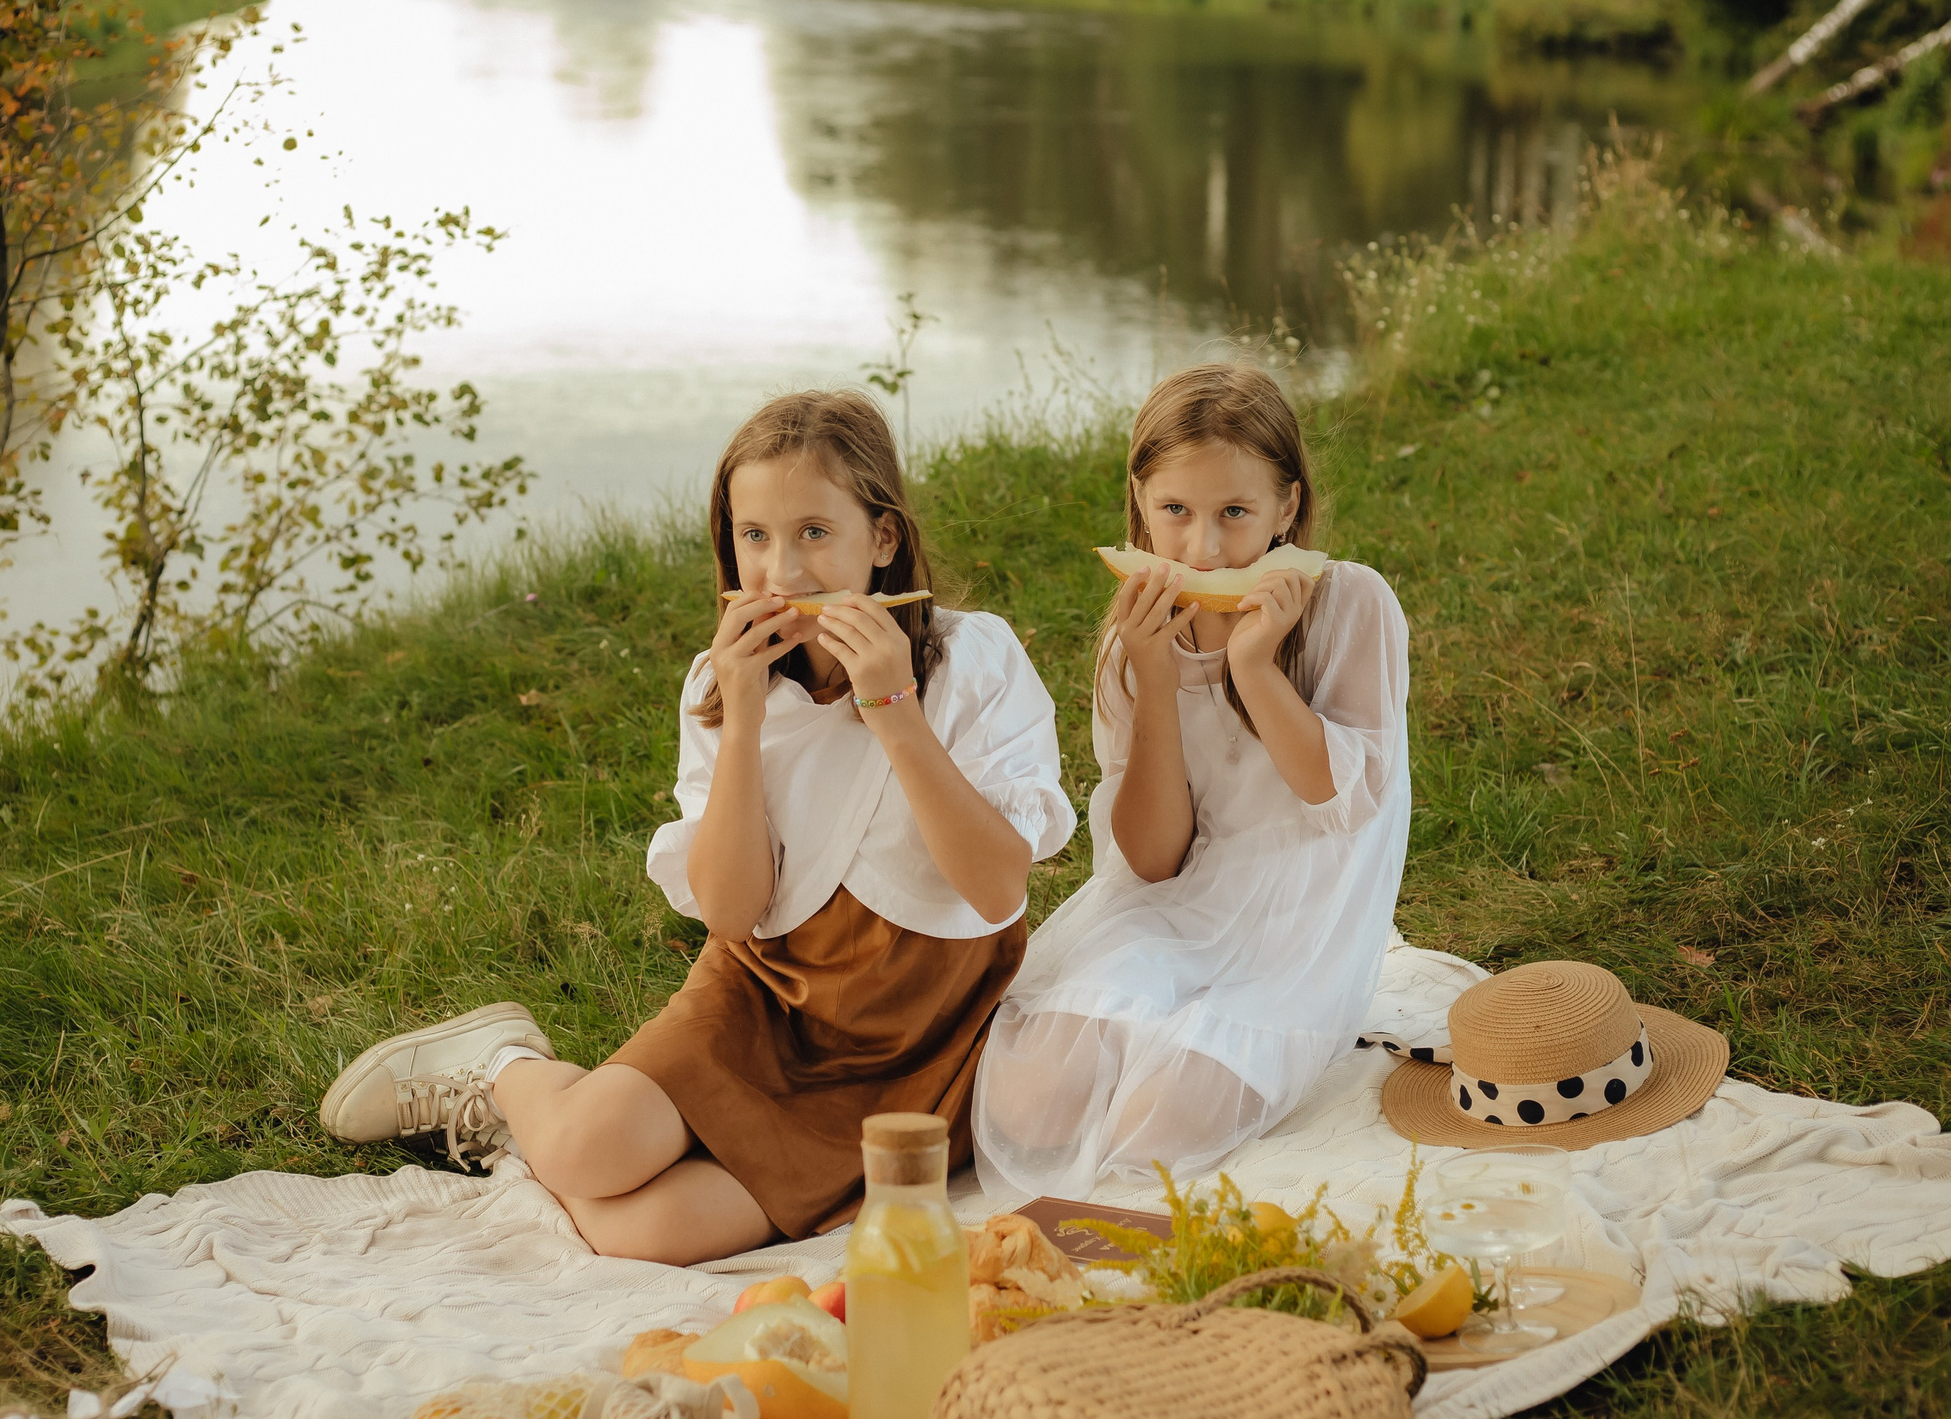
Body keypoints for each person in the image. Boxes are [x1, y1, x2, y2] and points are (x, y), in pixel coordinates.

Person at [319, 390, 1074, 1263]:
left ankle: (528, 1112)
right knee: (580, 1151)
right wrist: (746, 721)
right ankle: (501, 1069)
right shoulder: (720, 686)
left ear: (884, 538)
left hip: (921, 1031)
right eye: (755, 537)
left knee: (643, 1232)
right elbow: (728, 912)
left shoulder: (974, 658)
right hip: (763, 994)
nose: (781, 573)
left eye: (814, 533)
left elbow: (996, 885)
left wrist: (895, 711)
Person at [973, 362, 1410, 1199]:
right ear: (1140, 502)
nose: (1203, 549)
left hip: (1299, 913)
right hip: (1177, 904)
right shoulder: (1131, 642)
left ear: (1287, 507)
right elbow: (1152, 860)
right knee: (1032, 1103)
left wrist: (1253, 665)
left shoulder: (1352, 603)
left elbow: (1344, 801)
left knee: (1154, 1126)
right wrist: (1156, 680)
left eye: (1234, 514)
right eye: (1175, 511)